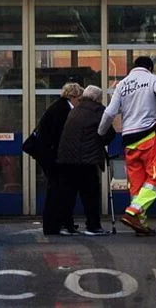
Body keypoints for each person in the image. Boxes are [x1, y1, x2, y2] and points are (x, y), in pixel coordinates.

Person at [98, 56, 156, 236]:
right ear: (150, 68)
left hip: (128, 140)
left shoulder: (122, 85)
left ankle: (140, 225)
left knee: (137, 186)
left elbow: (109, 113)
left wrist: (100, 133)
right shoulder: (153, 79)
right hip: (147, 137)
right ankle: (133, 212)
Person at [56, 85, 115, 236]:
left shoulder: (75, 110)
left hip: (67, 158)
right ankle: (93, 226)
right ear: (97, 98)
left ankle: (66, 225)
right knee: (90, 195)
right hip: (86, 159)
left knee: (69, 193)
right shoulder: (98, 111)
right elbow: (109, 133)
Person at [37, 82, 82, 235]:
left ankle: (58, 223)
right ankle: (57, 225)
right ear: (73, 96)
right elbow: (61, 135)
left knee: (57, 191)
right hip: (55, 157)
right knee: (59, 192)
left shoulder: (58, 107)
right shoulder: (63, 110)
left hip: (51, 155)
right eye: (79, 99)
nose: (79, 103)